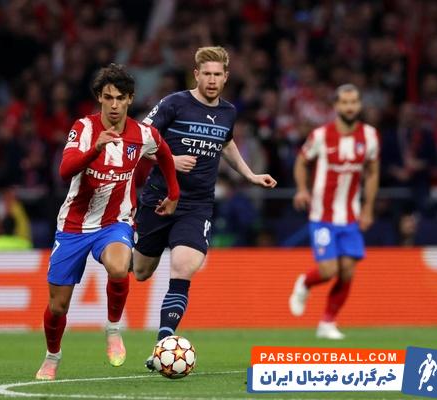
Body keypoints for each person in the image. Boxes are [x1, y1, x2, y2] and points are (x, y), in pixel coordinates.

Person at [131, 46, 277, 370]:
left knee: (183, 267)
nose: (212, 80)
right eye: (206, 74)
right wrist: (169, 159)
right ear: (196, 74)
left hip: (197, 205)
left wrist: (250, 174)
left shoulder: (228, 112)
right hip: (159, 198)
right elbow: (139, 139)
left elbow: (227, 142)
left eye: (217, 75)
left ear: (226, 77)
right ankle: (116, 250)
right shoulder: (174, 103)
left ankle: (163, 345)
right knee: (141, 272)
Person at [35, 64, 180, 380]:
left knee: (118, 266)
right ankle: (52, 357)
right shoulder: (83, 129)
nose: (114, 105)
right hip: (73, 226)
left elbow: (165, 153)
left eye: (120, 98)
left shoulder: (142, 134)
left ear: (130, 99)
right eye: (108, 97)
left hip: (115, 222)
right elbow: (64, 171)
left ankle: (113, 328)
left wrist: (174, 192)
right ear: (99, 98)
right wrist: (95, 149)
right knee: (58, 307)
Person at [289, 84, 380, 339]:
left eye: (354, 102)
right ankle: (305, 283)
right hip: (322, 216)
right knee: (329, 271)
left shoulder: (370, 136)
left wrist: (368, 208)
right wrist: (302, 189)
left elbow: (373, 172)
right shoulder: (320, 135)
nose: (349, 107)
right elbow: (301, 162)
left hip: (350, 216)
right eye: (345, 102)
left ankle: (327, 323)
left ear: (359, 105)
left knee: (348, 271)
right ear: (336, 106)